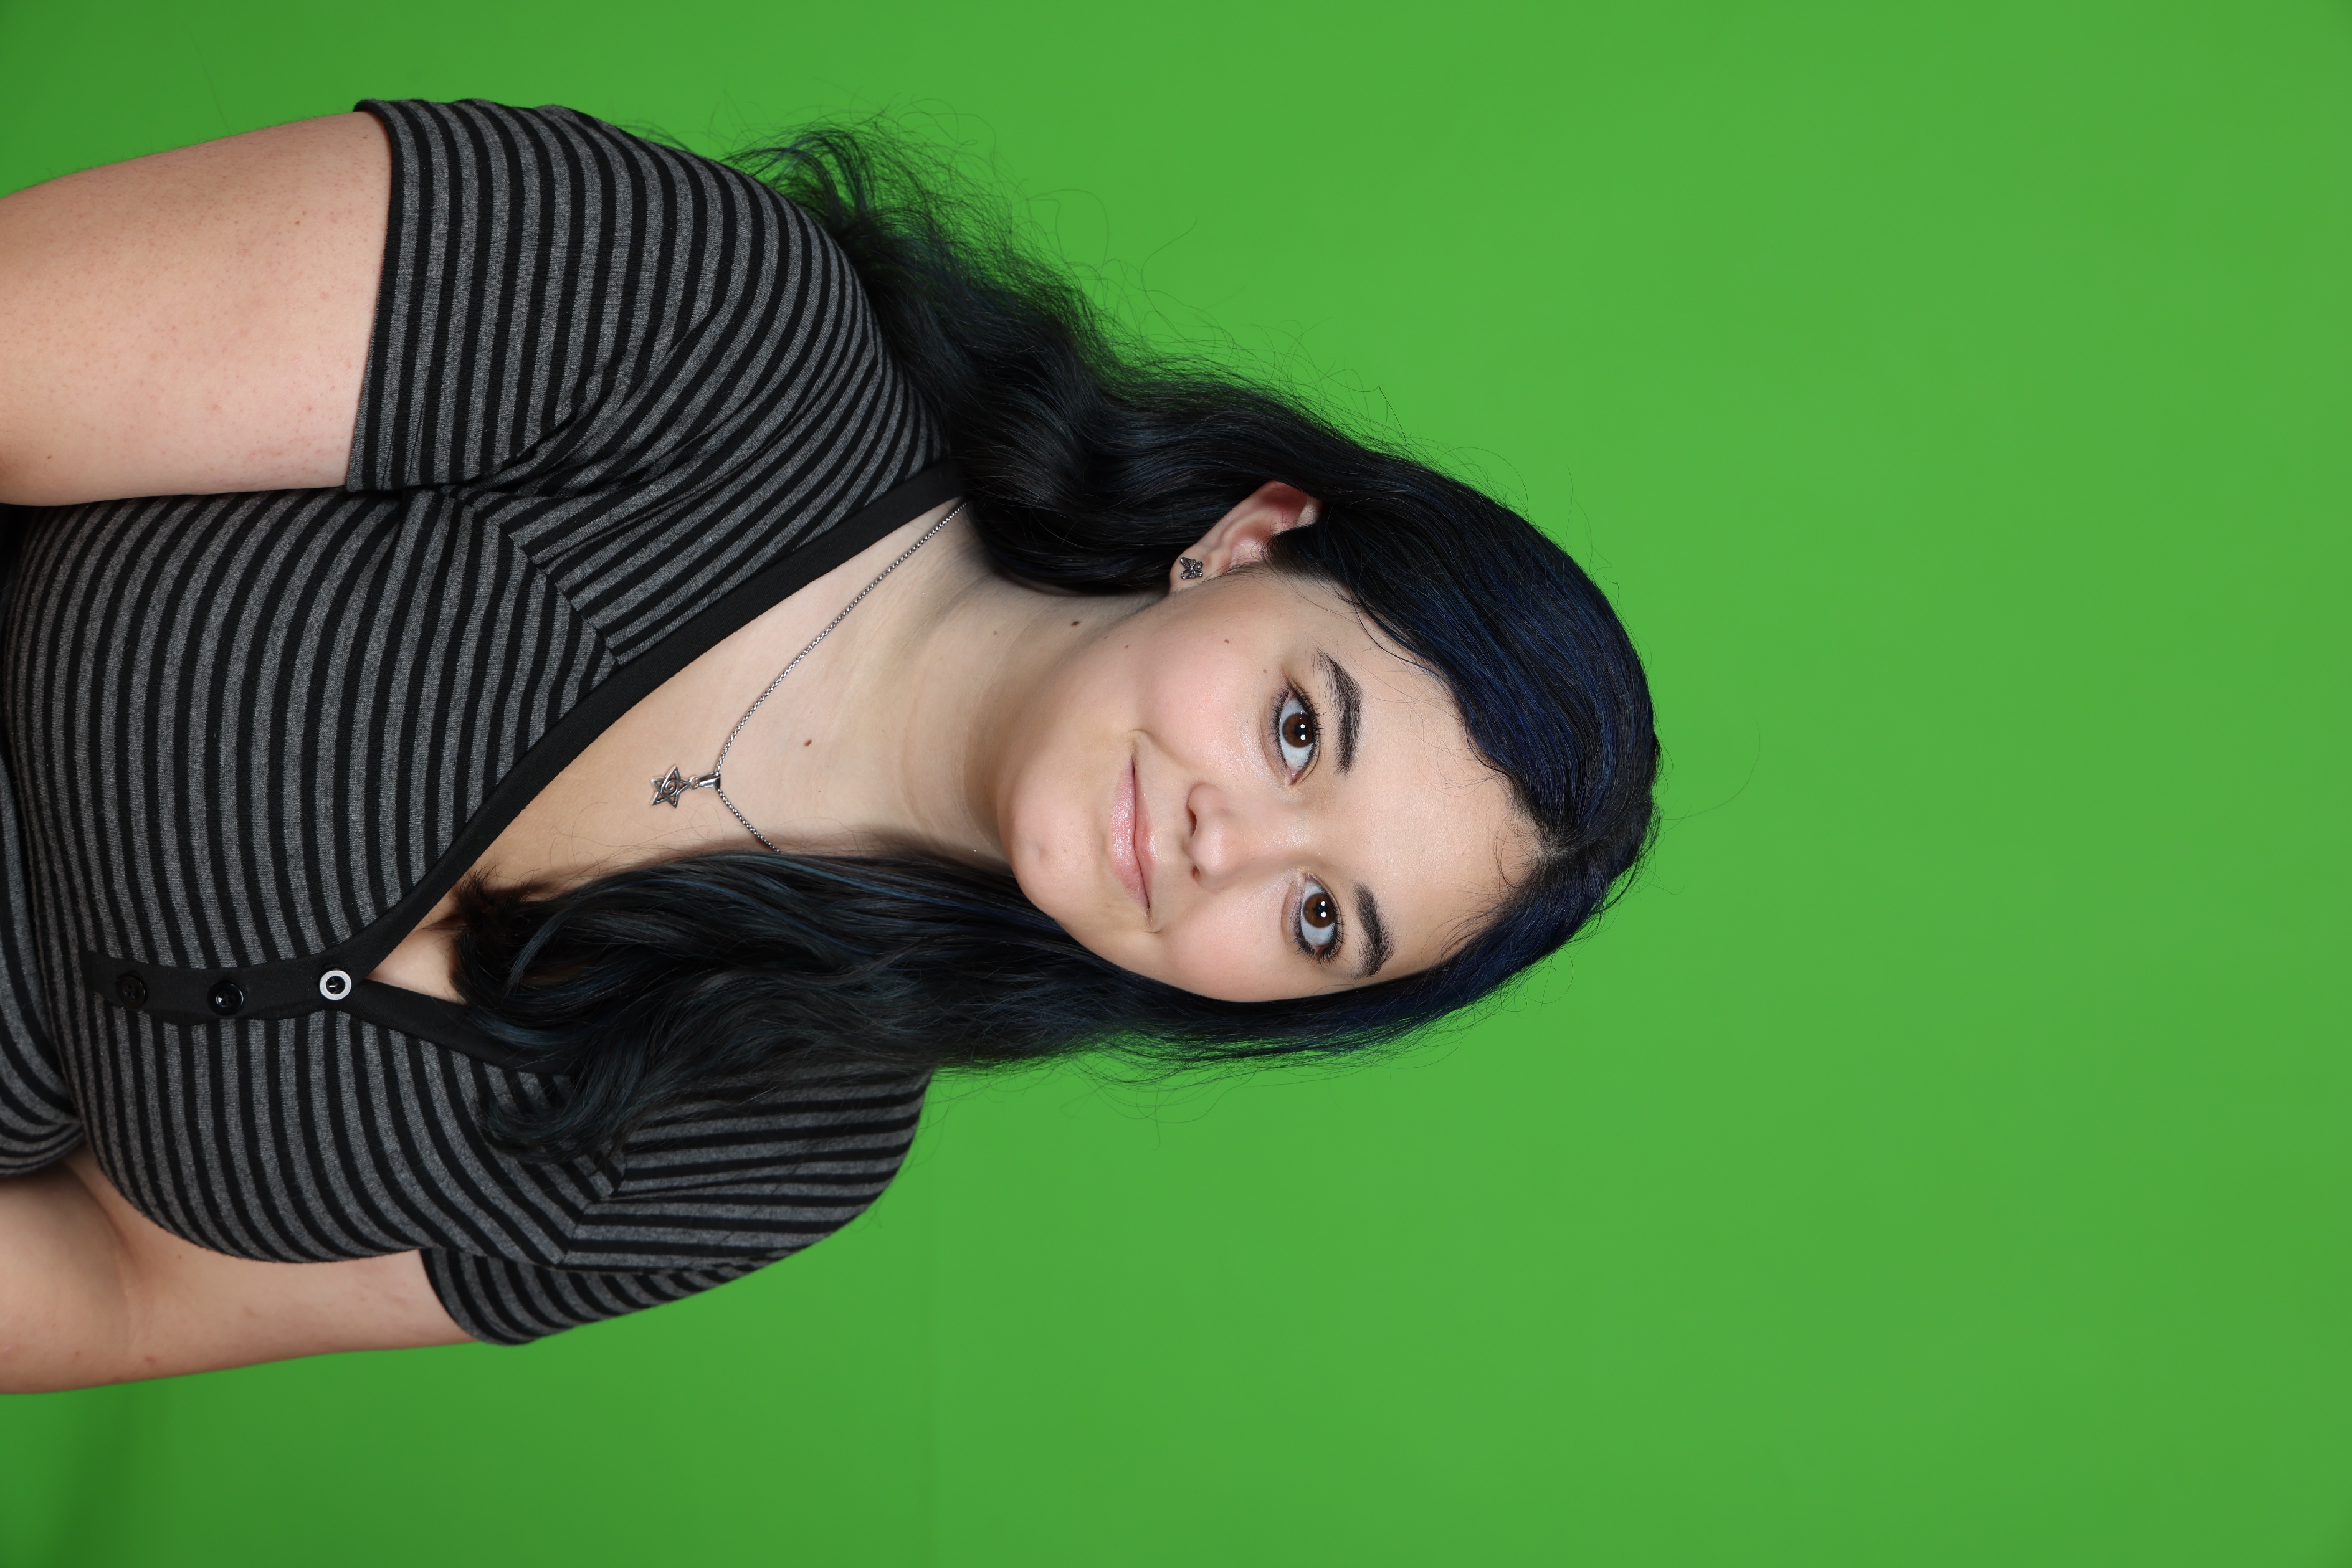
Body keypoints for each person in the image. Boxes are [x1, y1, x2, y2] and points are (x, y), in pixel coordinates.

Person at [0, 99, 1657, 1391]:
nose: (1236, 845)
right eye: (1300, 728)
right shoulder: (705, 327)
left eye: (1318, 919)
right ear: (1247, 541)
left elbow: (129, 1294)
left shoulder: (787, 1160)